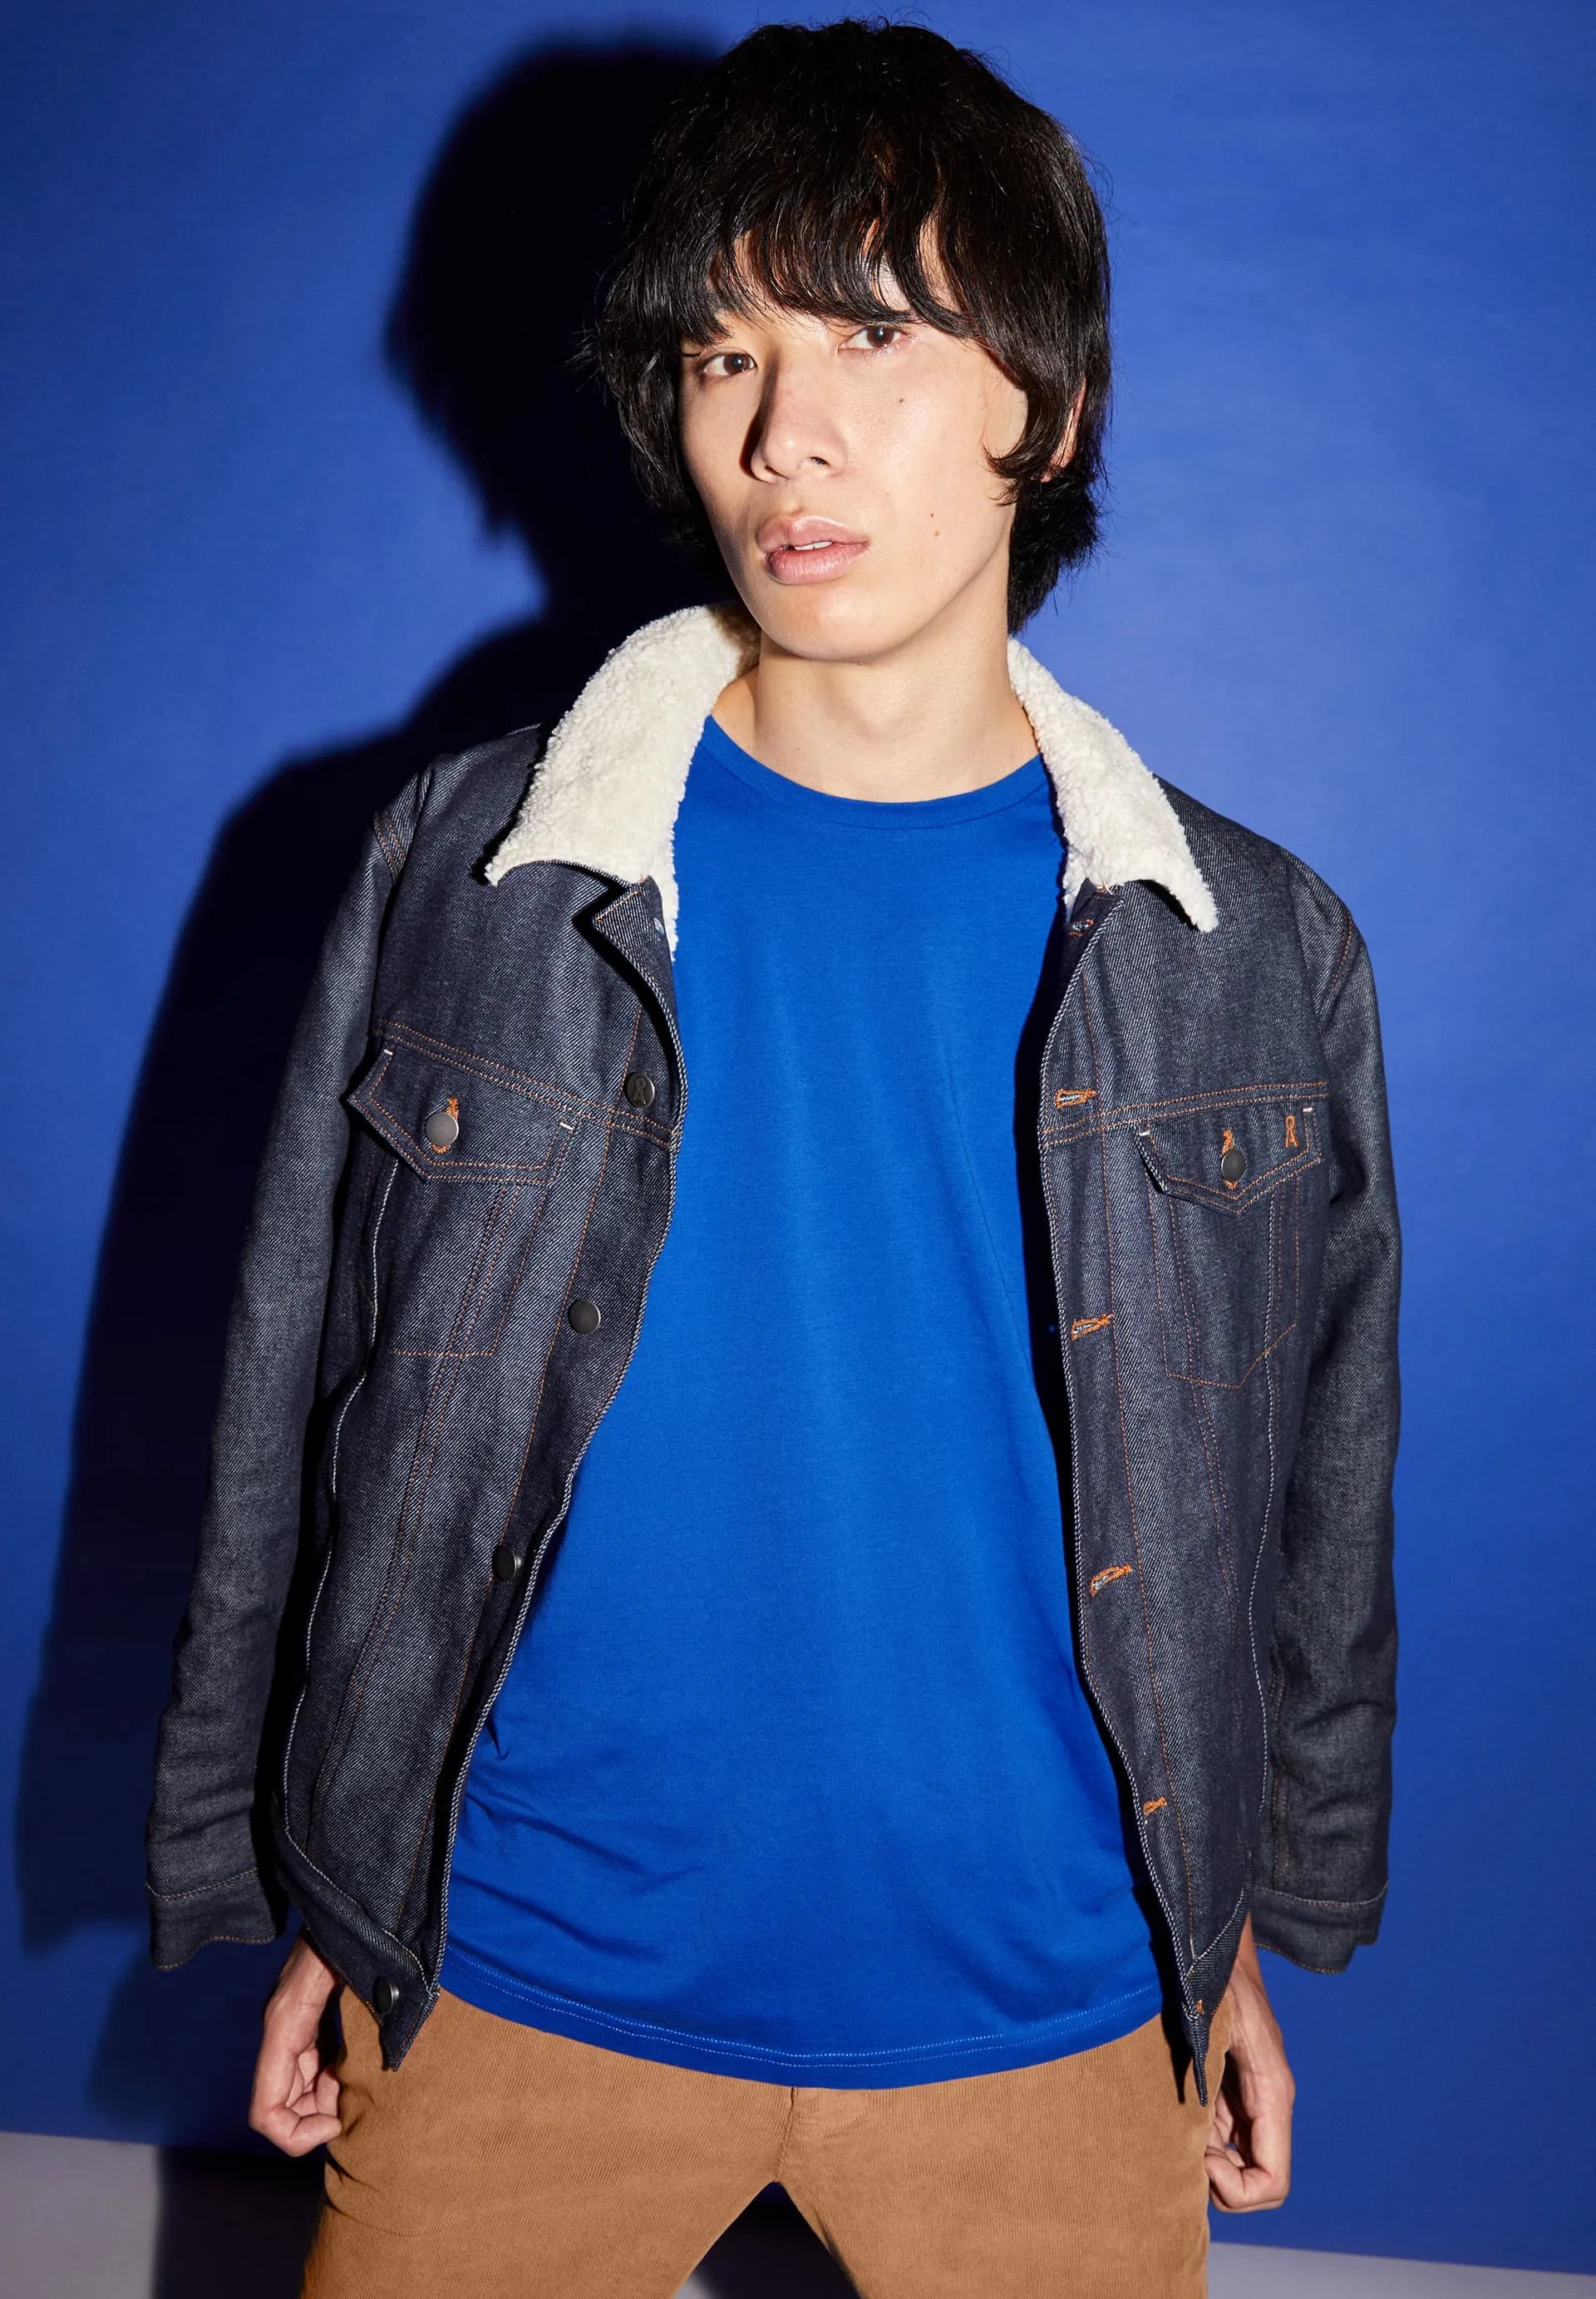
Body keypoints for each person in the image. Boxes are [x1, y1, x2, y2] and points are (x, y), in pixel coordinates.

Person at [145, 21, 1400, 2297]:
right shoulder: (478, 868)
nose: (782, 432)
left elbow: (1307, 1491)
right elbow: (302, 1403)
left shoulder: (1252, 948)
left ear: (1054, 405)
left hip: (1047, 2004)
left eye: (874, 336)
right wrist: (324, 1877)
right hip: (519, 1971)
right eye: (725, 350)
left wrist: (1230, 1930)